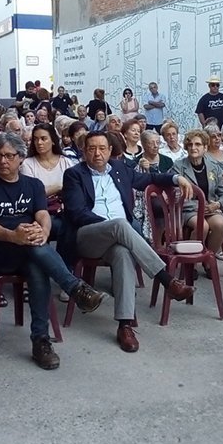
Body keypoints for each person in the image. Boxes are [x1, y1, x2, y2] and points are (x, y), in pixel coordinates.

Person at [0, 133, 106, 369]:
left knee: (36, 263)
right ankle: (75, 288)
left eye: (9, 156)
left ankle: (41, 340)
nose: (2, 161)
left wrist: (42, 231)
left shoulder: (33, 185)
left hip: (28, 248)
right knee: (34, 249)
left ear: (20, 158)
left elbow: (43, 215)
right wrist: (14, 236)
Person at [61, 131, 198, 352]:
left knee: (123, 253)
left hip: (116, 238)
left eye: (102, 148)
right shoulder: (74, 175)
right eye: (92, 148)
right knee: (120, 225)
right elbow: (77, 214)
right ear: (84, 151)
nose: (98, 153)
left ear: (110, 151)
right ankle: (166, 279)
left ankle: (124, 325)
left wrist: (176, 178)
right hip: (87, 235)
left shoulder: (119, 169)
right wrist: (112, 227)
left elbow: (151, 178)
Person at [173, 129, 223, 261]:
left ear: (205, 147)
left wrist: (217, 204)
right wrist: (199, 206)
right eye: (190, 145)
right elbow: (175, 194)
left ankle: (208, 260)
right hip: (189, 209)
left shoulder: (214, 167)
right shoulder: (178, 166)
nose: (193, 148)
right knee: (202, 226)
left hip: (210, 208)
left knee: (220, 224)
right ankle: (190, 263)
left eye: (198, 144)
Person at [20, 123, 78, 239]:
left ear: (53, 141)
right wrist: (59, 187)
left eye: (43, 139)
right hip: (41, 211)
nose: (39, 143)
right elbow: (32, 194)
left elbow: (74, 188)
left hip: (65, 208)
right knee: (63, 226)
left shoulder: (65, 162)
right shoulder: (28, 164)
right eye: (35, 139)